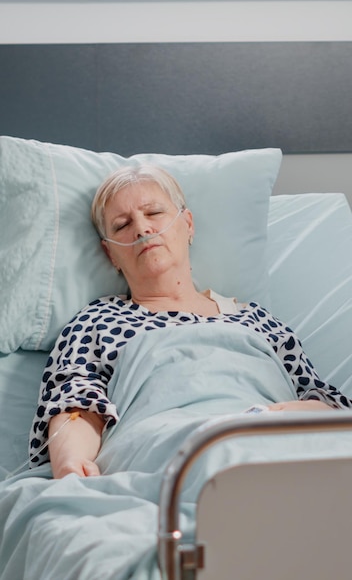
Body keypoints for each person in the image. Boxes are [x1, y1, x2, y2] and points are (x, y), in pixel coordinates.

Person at [30, 165, 352, 479]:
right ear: (111, 253)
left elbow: (322, 404)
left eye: (154, 212)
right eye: (122, 224)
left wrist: (292, 418)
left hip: (273, 444)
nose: (142, 229)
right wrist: (72, 463)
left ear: (188, 224)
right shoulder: (96, 321)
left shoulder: (258, 320)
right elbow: (75, 405)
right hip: (167, 450)